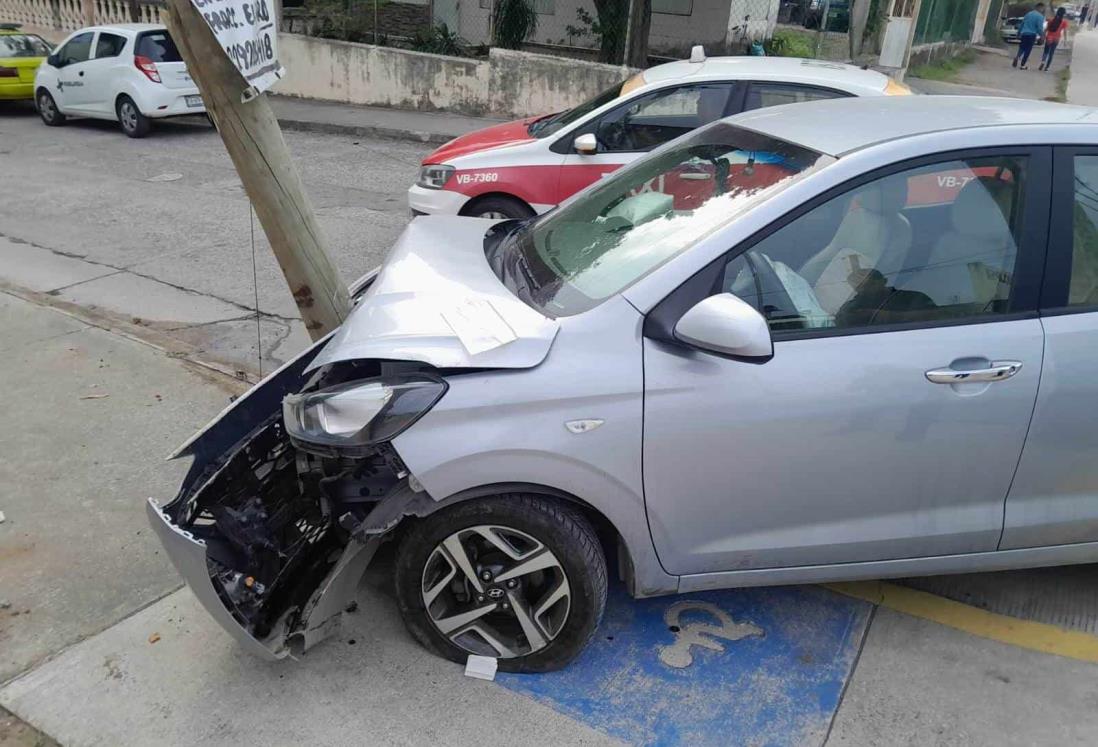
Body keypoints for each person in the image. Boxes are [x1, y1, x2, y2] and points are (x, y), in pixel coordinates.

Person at [1013, 2, 1046, 69]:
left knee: (1022, 47)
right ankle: (1022, 65)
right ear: (1040, 8)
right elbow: (1039, 28)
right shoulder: (1040, 16)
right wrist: (1042, 36)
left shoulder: (1028, 14)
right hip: (1032, 34)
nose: (1042, 10)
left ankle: (1017, 57)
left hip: (1024, 33)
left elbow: (1022, 23)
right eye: (1042, 9)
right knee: (1028, 50)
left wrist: (1018, 33)